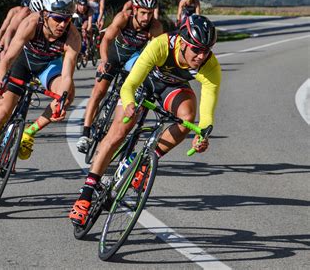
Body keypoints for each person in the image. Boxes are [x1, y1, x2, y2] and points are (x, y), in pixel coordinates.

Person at [69, 14, 220, 225]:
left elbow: (208, 108)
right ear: (183, 43)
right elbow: (128, 86)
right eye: (196, 49)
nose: (201, 56)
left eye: (206, 51)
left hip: (172, 86)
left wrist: (203, 134)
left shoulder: (210, 65)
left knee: (187, 118)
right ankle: (85, 194)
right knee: (120, 130)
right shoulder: (161, 45)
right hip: (144, 81)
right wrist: (129, 104)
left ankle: (145, 163)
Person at [0, 0, 81, 190]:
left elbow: (68, 73)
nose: (63, 24)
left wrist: (61, 99)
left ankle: (29, 132)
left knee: (69, 93)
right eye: (57, 19)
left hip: (48, 67)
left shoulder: (72, 35)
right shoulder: (31, 23)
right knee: (1, 113)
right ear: (45, 14)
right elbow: (7, 58)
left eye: (67, 19)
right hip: (24, 63)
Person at [76, 0, 163, 153]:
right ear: (135, 10)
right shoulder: (123, 18)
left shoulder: (155, 26)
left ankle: (114, 129)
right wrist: (103, 60)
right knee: (98, 91)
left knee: (134, 85)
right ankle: (86, 133)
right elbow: (106, 40)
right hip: (114, 54)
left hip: (133, 59)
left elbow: (157, 52)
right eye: (143, 13)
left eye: (150, 13)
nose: (146, 18)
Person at [0, 0, 45, 120]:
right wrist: (4, 48)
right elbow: (9, 30)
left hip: (28, 45)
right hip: (14, 41)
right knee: (6, 64)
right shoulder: (22, 13)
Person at [0, 0, 34, 102]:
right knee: (4, 59)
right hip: (9, 37)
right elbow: (6, 30)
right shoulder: (15, 12)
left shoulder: (32, 17)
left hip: (22, 38)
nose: (27, 13)